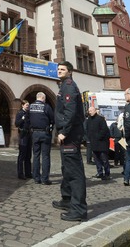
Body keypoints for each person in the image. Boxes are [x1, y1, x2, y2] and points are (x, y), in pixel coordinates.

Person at [51, 61, 88, 222]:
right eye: (58, 69)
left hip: (70, 134)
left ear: (70, 71)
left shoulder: (69, 86)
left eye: (63, 69)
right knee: (67, 169)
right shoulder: (64, 86)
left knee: (74, 173)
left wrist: (64, 132)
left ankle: (79, 210)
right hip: (68, 134)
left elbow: (71, 111)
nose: (59, 71)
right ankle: (67, 200)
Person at [28, 91, 54, 185]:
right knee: (46, 156)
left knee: (36, 156)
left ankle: (36, 178)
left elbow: (27, 119)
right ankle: (45, 179)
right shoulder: (46, 107)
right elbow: (52, 118)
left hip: (34, 133)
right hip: (45, 133)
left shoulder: (30, 106)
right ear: (43, 98)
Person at [86, 106, 111, 180]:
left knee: (104, 159)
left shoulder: (100, 119)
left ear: (95, 111)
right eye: (89, 111)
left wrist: (98, 137)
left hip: (102, 143)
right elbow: (87, 129)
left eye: (91, 111)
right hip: (93, 142)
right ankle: (100, 172)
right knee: (96, 159)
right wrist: (89, 137)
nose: (90, 112)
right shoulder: (89, 120)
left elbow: (104, 130)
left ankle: (107, 173)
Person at [14, 99, 33, 180]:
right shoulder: (20, 113)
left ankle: (28, 173)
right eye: (26, 105)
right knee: (22, 155)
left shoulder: (29, 113)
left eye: (28, 105)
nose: (27, 106)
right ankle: (20, 173)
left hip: (29, 135)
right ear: (22, 105)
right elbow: (16, 124)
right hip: (23, 135)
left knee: (28, 155)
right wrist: (22, 118)